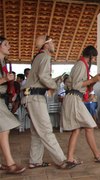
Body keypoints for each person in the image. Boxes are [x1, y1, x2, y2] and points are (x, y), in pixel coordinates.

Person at [22, 35, 74, 169]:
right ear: (46, 45)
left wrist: (55, 80)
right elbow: (43, 77)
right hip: (35, 97)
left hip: (31, 96)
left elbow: (39, 79)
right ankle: (62, 160)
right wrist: (55, 86)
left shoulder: (38, 57)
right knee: (46, 130)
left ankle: (35, 161)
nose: (54, 44)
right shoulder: (45, 57)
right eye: (52, 42)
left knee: (37, 132)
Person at [61, 45, 100, 165]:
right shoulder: (81, 65)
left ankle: (70, 158)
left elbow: (81, 85)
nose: (95, 60)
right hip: (74, 98)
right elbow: (77, 85)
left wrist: (91, 83)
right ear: (91, 56)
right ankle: (98, 156)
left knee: (76, 130)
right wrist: (93, 80)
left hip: (75, 98)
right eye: (94, 58)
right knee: (89, 126)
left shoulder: (82, 65)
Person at [0, 36, 26, 174]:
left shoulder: (2, 63)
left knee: (3, 130)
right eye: (6, 44)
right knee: (4, 129)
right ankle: (10, 164)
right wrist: (4, 79)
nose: (9, 46)